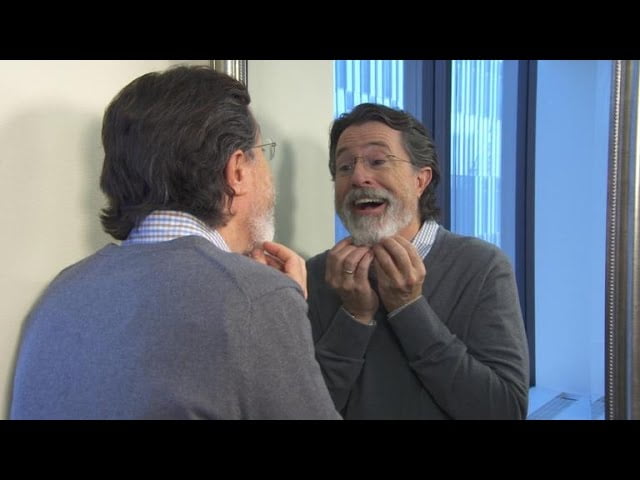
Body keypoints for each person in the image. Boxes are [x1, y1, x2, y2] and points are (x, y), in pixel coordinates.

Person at [9, 65, 340, 420]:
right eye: (263, 152)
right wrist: (278, 304)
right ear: (237, 170)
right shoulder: (257, 298)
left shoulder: (61, 292)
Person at [306, 103, 529, 419]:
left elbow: (504, 411)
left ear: (420, 181)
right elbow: (304, 408)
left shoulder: (482, 267)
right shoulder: (316, 274)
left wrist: (408, 308)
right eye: (344, 167)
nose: (358, 177)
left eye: (378, 161)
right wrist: (353, 317)